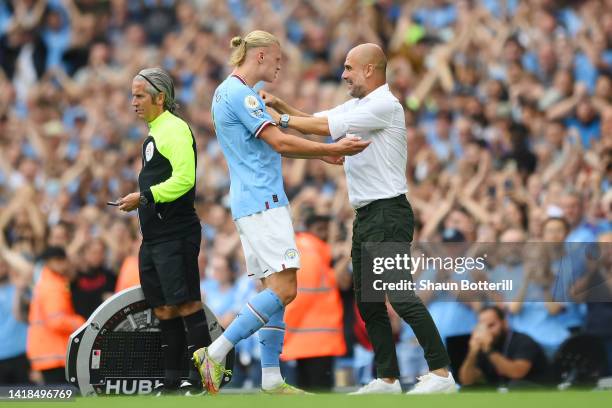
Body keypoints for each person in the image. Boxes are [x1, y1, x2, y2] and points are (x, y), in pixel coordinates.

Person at [260, 43, 455, 394]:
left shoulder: (384, 105)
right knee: (367, 302)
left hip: (388, 211)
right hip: (367, 215)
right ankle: (387, 379)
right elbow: (318, 121)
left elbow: (320, 127)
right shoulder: (358, 106)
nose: (344, 74)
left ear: (370, 69)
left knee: (398, 294)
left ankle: (442, 373)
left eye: (349, 67)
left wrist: (281, 119)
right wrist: (281, 106)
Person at [192, 30, 369, 395]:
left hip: (249, 202)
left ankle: (271, 378)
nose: (280, 64)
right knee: (286, 289)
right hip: (263, 202)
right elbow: (280, 141)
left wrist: (323, 149)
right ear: (259, 56)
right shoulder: (240, 93)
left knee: (273, 288)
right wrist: (327, 150)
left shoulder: (226, 93)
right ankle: (216, 351)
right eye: (277, 58)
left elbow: (279, 141)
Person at [117, 67, 211, 395]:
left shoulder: (174, 129)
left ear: (160, 97)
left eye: (140, 95)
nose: (134, 102)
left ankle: (203, 380)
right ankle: (172, 382)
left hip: (176, 234)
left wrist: (144, 197)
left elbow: (185, 179)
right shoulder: (155, 131)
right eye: (132, 95)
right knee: (163, 308)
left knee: (187, 305)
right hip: (155, 237)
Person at [282, 213, 347, 391]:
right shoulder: (311, 254)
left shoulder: (311, 252)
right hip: (316, 342)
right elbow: (301, 299)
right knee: (320, 396)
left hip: (306, 342)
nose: (326, 234)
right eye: (321, 230)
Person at [26, 246, 85, 384]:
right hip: (53, 355)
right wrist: (81, 323)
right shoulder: (53, 286)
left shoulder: (48, 282)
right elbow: (56, 321)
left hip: (48, 353)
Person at [458, 306, 550, 387]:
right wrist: (472, 352)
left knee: (515, 386)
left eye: (491, 325)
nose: (486, 331)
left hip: (534, 392)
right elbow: (466, 380)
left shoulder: (523, 341)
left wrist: (488, 349)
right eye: (482, 327)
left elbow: (517, 373)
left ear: (504, 323)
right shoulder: (482, 346)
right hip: (504, 397)